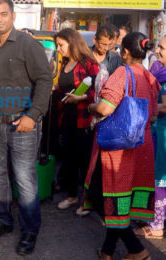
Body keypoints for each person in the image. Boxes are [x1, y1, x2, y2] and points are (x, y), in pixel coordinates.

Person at [0, 0, 52, 255]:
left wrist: (33, 115)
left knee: (24, 179)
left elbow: (44, 80)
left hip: (23, 124)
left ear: (13, 15)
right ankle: (3, 220)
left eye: (3, 14)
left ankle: (30, 230)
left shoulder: (26, 43)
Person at [84, 32, 160, 260]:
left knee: (103, 198)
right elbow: (154, 115)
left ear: (124, 51)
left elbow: (105, 108)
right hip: (142, 145)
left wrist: (91, 108)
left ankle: (137, 250)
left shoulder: (122, 73)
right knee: (121, 202)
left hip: (119, 148)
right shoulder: (150, 78)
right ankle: (107, 251)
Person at [54, 28, 99, 215]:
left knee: (85, 161)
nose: (58, 49)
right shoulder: (65, 62)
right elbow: (63, 86)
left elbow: (99, 90)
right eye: (57, 45)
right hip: (67, 118)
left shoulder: (88, 64)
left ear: (72, 43)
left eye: (61, 45)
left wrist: (80, 98)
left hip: (84, 120)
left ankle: (87, 201)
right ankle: (72, 196)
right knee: (69, 158)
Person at [134, 36, 166, 240]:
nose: (158, 50)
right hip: (159, 131)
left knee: (161, 180)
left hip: (164, 135)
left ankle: (156, 226)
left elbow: (165, 107)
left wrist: (145, 107)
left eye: (162, 47)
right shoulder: (159, 69)